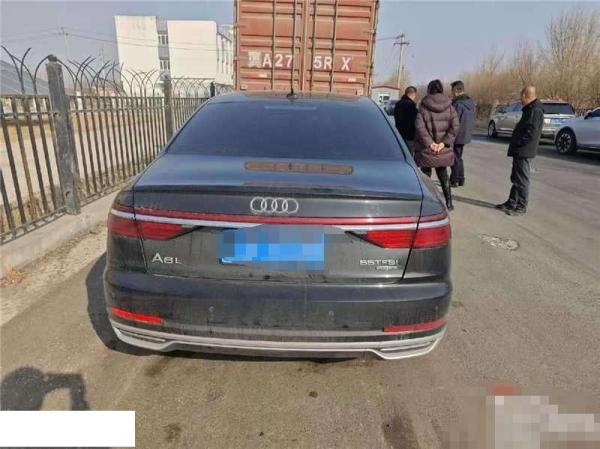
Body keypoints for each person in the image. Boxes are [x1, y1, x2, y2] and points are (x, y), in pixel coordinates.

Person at [496, 86, 544, 216]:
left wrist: (519, 143)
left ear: (524, 96)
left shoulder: (535, 110)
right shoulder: (530, 109)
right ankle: (511, 202)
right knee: (516, 178)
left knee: (522, 180)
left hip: (524, 151)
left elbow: (531, 133)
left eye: (521, 97)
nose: (520, 100)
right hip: (521, 150)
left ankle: (521, 206)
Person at [414, 79, 459, 210]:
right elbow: (455, 126)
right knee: (443, 175)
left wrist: (430, 143)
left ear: (429, 90)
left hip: (426, 149)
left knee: (426, 176)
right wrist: (443, 144)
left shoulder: (423, 105)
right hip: (442, 149)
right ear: (441, 90)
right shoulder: (450, 106)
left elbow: (419, 126)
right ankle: (449, 203)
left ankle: (426, 205)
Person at [450, 80, 476, 187]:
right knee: (459, 156)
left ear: (456, 90)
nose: (451, 93)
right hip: (466, 134)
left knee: (454, 157)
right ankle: (461, 178)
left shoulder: (458, 104)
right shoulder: (470, 102)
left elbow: (454, 121)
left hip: (457, 134)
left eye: (452, 91)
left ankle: (455, 179)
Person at [393, 86, 418, 155]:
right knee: (408, 155)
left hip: (399, 134)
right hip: (409, 136)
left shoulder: (398, 104)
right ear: (413, 94)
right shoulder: (411, 105)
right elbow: (415, 121)